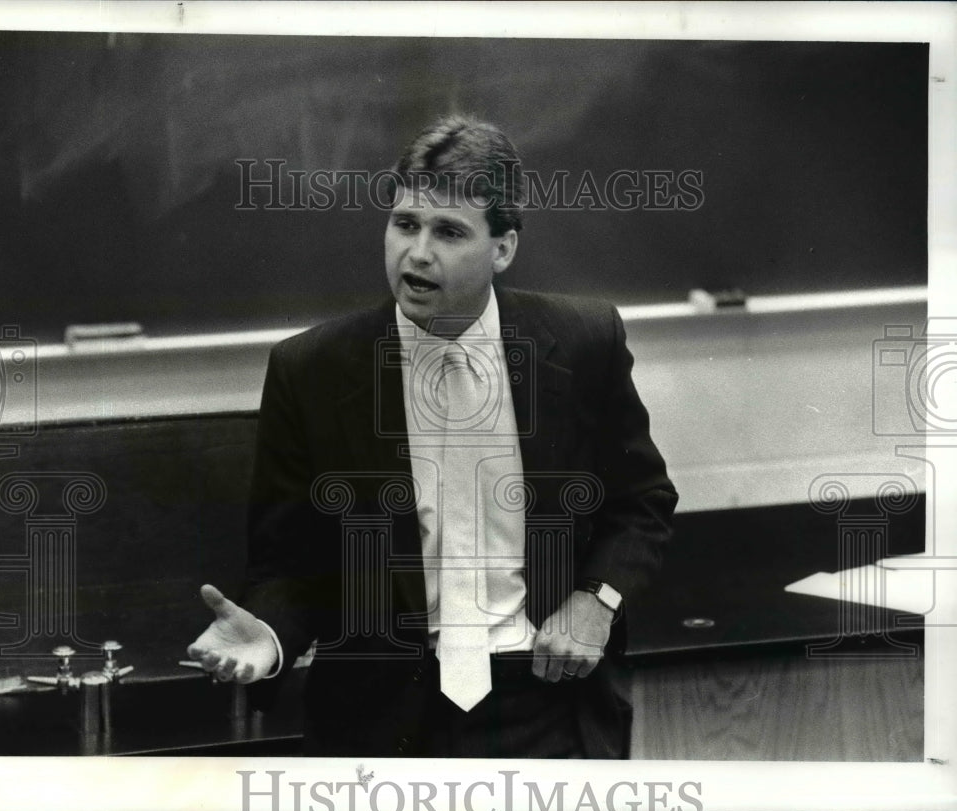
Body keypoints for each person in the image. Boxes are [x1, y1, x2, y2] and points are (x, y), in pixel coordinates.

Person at [187, 114, 678, 758]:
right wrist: (271, 638)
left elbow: (642, 503)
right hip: (380, 716)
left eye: (448, 232)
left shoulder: (584, 342)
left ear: (502, 248)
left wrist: (597, 600)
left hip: (545, 696)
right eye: (405, 224)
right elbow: (288, 562)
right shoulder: (311, 370)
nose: (417, 253)